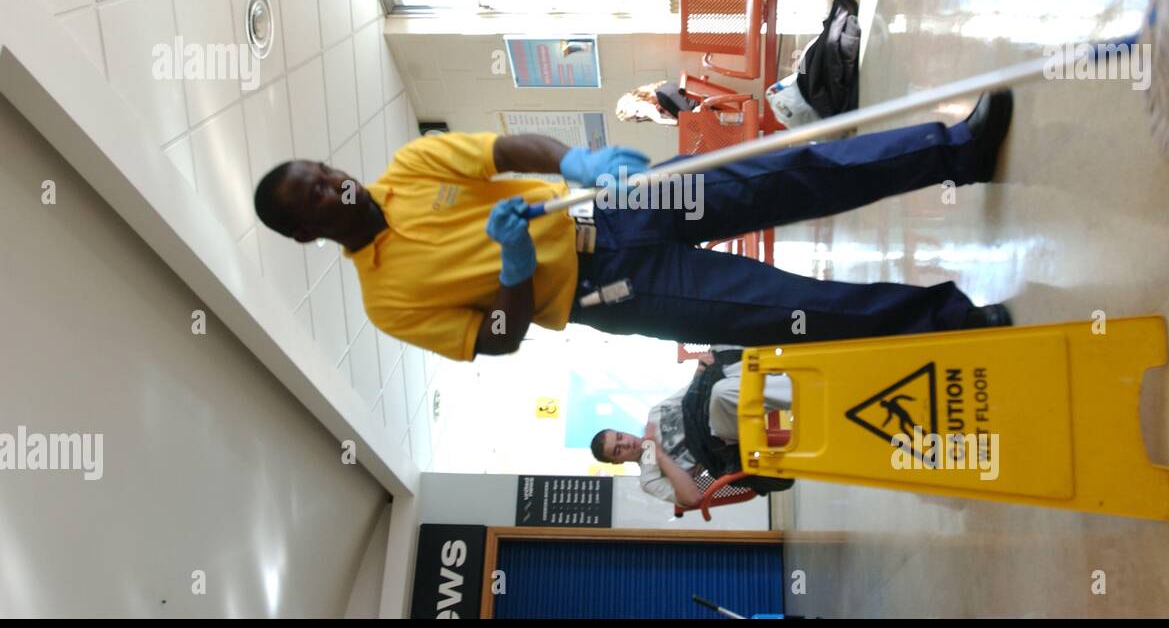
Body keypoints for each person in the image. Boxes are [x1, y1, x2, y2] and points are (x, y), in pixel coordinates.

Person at [253, 90, 1014, 362]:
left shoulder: (412, 166)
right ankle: (956, 320)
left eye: (323, 172)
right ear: (303, 235)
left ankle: (957, 151)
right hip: (611, 291)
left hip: (617, 206)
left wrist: (578, 164)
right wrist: (515, 277)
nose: (334, 184)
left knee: (792, 173)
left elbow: (513, 149)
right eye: (315, 198)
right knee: (795, 308)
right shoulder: (386, 305)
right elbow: (498, 339)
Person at [590, 348, 793, 507]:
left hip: (715, 406)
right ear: (617, 462)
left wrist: (701, 368)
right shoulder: (649, 477)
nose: (625, 443)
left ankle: (798, 369)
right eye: (618, 450)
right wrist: (658, 454)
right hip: (722, 442)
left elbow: (690, 394)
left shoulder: (654, 415)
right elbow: (692, 498)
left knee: (722, 351)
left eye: (619, 437)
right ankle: (803, 392)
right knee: (721, 393)